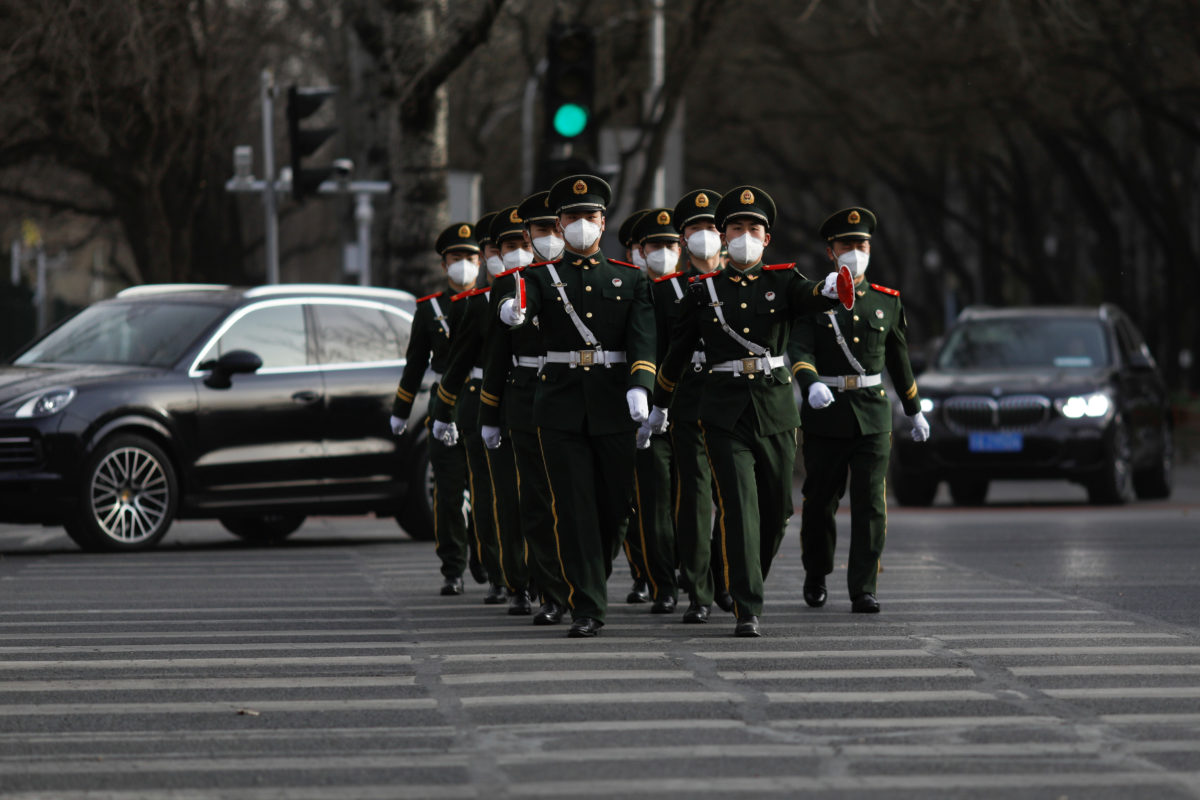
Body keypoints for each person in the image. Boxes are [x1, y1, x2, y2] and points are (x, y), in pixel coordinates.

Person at [649, 186, 839, 637]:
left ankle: (733, 573)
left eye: (754, 228)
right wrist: (660, 404)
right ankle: (746, 604)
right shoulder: (703, 291)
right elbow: (676, 353)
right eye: (737, 227)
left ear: (767, 238)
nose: (745, 235)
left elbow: (814, 296)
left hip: (773, 408)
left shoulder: (785, 280)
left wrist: (834, 287)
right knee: (738, 507)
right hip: (722, 411)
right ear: (723, 235)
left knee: (776, 511)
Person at [497, 174, 656, 638]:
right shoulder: (540, 277)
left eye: (589, 217)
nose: (580, 224)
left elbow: (642, 336)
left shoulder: (629, 279)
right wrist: (512, 312)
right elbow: (517, 300)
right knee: (574, 506)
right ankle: (587, 603)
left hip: (613, 402)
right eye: (571, 217)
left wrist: (640, 384)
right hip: (560, 403)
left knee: (616, 506)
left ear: (603, 223)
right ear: (560, 224)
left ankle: (591, 576)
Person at [792, 207, 930, 614]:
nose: (856, 251)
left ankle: (863, 587)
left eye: (862, 244)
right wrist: (810, 381)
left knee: (871, 503)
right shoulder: (815, 300)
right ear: (831, 252)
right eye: (847, 245)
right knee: (820, 503)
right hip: (826, 414)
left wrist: (914, 410)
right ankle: (816, 572)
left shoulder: (886, 302)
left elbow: (899, 360)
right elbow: (799, 349)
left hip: (872, 415)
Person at [478, 190, 571, 625]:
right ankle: (540, 586)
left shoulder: (594, 277)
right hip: (525, 397)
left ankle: (577, 578)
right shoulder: (511, 284)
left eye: (558, 227)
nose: (552, 237)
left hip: (578, 398)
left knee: (586, 501)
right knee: (531, 500)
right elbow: (496, 355)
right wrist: (490, 414)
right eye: (542, 231)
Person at [428, 210, 525, 609]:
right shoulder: (475, 304)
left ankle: (540, 575)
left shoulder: (548, 294)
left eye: (521, 245)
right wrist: (443, 411)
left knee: (535, 498)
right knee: (489, 498)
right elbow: (456, 364)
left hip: (535, 404)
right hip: (483, 406)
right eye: (499, 248)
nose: (510, 255)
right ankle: (502, 574)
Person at [389, 222, 480, 596]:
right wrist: (401, 408)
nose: (464, 264)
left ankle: (488, 559)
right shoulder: (430, 310)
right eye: (456, 258)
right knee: (447, 492)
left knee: (488, 492)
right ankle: (453, 567)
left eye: (470, 257)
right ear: (444, 265)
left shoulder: (493, 302)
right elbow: (415, 363)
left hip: (483, 402)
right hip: (445, 401)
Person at [663, 189, 728, 623]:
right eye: (694, 229)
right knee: (696, 499)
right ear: (683, 239)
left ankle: (727, 575)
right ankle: (700, 591)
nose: (704, 235)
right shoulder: (663, 291)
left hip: (738, 403)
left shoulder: (745, 281)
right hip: (688, 402)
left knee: (745, 501)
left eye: (711, 227)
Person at [630, 208, 684, 614]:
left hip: (690, 405)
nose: (664, 253)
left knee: (693, 502)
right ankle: (661, 580)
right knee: (653, 502)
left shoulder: (694, 289)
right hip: (644, 409)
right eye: (655, 246)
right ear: (640, 251)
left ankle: (696, 573)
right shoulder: (632, 290)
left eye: (671, 245)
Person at [615, 208, 654, 605]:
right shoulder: (622, 285)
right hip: (630, 400)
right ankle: (644, 572)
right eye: (646, 247)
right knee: (637, 497)